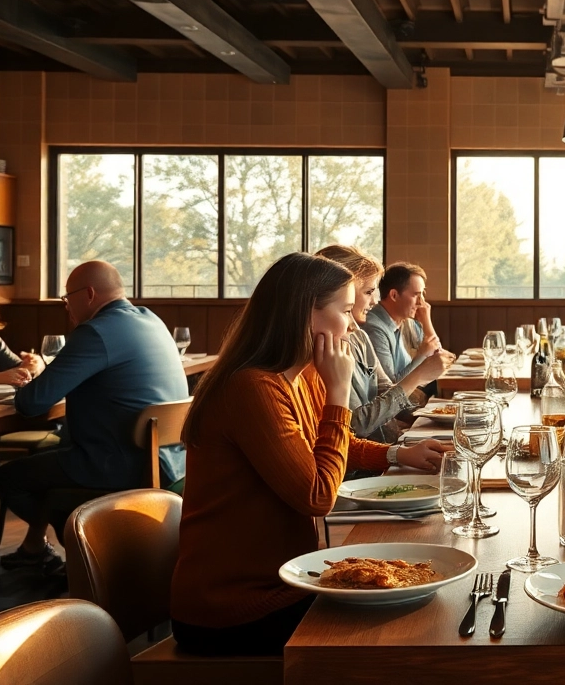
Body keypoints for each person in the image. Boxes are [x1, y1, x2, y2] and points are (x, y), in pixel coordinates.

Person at [170, 253, 447, 656]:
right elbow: (316, 496)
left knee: (418, 600)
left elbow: (331, 442)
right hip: (234, 608)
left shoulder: (300, 375)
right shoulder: (252, 388)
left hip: (289, 578)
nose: (355, 324)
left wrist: (395, 455)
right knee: (407, 632)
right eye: (346, 311)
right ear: (305, 315)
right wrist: (339, 394)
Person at [1, 261, 189, 574]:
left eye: (66, 298)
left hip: (117, 464)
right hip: (167, 461)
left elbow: (31, 402)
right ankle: (45, 550)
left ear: (88, 294)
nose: (66, 307)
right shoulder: (150, 319)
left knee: (6, 478)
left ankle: (91, 555)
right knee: (47, 457)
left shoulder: (95, 331)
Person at [314, 245, 453, 443]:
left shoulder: (360, 337)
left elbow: (389, 392)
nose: (374, 302)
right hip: (373, 458)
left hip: (388, 446)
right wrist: (420, 374)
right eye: (369, 292)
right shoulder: (328, 348)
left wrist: (442, 415)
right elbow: (357, 425)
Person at [362, 262, 442, 393]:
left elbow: (441, 360)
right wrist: (422, 355)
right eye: (416, 295)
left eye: (422, 294)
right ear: (394, 295)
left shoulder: (406, 322)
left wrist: (427, 322)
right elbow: (389, 389)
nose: (422, 302)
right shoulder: (375, 329)